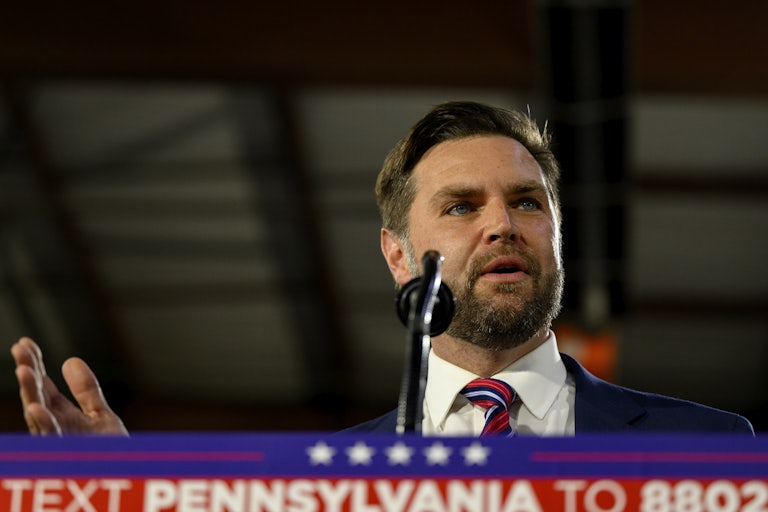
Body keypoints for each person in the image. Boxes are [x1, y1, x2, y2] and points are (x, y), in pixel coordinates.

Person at [10, 101, 754, 436]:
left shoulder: (712, 448)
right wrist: (121, 496)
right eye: (461, 207)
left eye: (527, 203)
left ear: (558, 233)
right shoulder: (323, 480)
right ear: (398, 255)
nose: (501, 223)